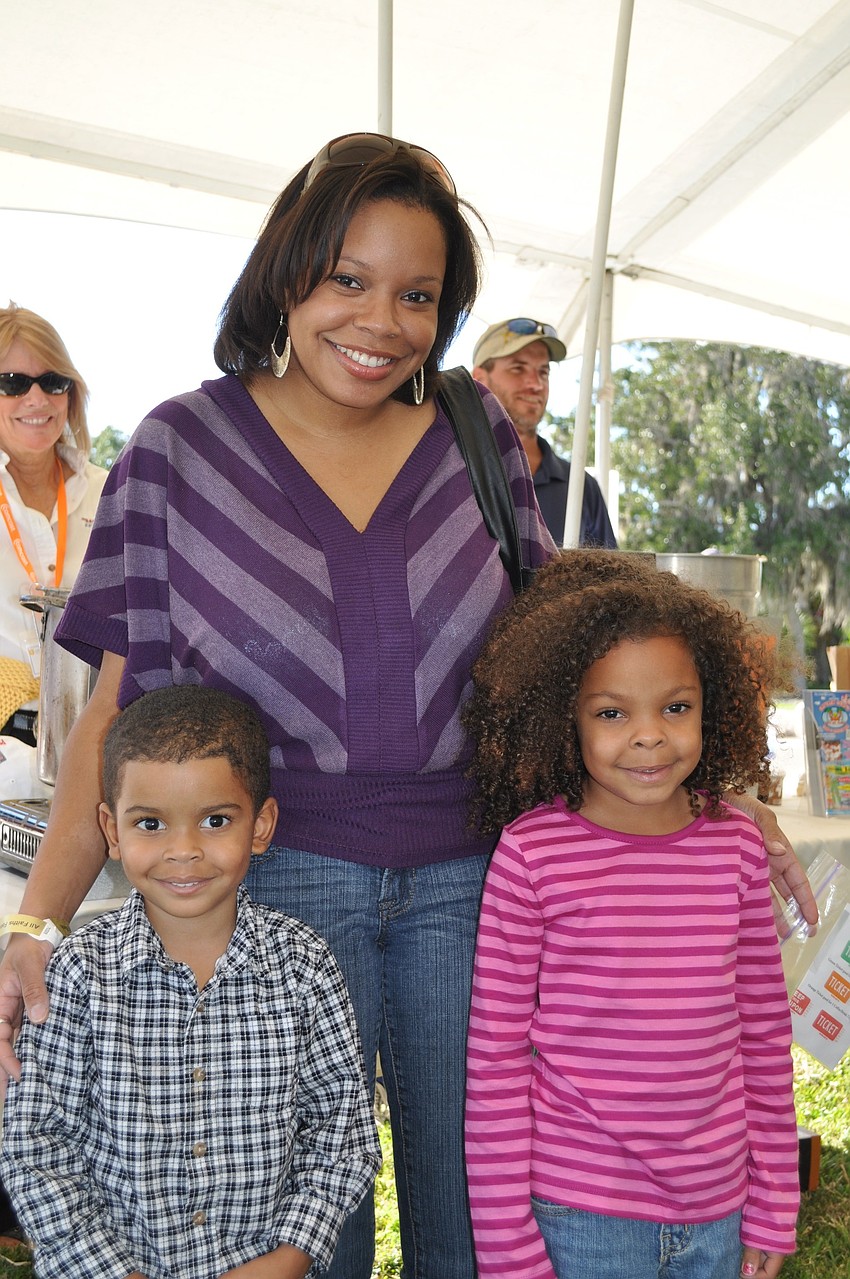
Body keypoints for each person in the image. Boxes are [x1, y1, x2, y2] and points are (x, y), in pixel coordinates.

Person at [0, 136, 813, 1279]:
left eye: (417, 294)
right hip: (266, 899)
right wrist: (36, 925)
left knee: (478, 1226)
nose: (380, 320)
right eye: (348, 280)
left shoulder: (477, 439)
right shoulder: (181, 449)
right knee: (288, 1234)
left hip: (480, 892)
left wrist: (719, 784)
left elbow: (576, 650)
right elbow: (118, 720)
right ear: (288, 272)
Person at [463, 551, 800, 1279]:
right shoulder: (530, 856)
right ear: (564, 718)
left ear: (713, 704)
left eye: (675, 707)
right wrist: (510, 1252)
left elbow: (766, 1038)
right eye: (612, 712)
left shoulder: (738, 848)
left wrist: (775, 1195)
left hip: (720, 1213)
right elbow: (494, 1065)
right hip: (580, 1220)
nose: (649, 735)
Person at [0, 684, 381, 1279]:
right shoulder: (76, 975)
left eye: (215, 820)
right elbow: (36, 1148)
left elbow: (341, 1137)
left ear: (260, 825)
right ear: (112, 828)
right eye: (150, 823)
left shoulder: (305, 966)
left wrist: (283, 1262)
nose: (183, 851)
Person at [0, 303, 107, 798]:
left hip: (94, 743)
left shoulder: (113, 494)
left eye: (53, 381)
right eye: (12, 383)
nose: (36, 398)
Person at [472, 317, 617, 547]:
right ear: (479, 379)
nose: (536, 384)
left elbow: (612, 580)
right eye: (518, 368)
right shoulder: (454, 470)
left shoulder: (580, 486)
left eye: (543, 372)